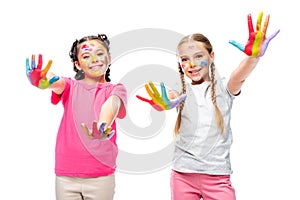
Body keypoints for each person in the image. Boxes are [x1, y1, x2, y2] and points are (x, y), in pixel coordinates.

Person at [137, 11, 279, 200]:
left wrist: (253, 57)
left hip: (218, 178)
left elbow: (240, 73)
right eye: (185, 59)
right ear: (180, 64)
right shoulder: (181, 90)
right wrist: (162, 104)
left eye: (198, 56)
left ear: (212, 56)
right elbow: (169, 99)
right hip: (182, 177)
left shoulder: (225, 87)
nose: (192, 64)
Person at [26, 34, 127, 200]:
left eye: (100, 54)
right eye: (86, 56)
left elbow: (112, 104)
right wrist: (43, 80)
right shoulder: (70, 86)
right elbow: (56, 81)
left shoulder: (115, 89)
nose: (94, 59)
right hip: (66, 176)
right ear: (78, 64)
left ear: (109, 57)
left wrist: (102, 125)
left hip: (100, 176)